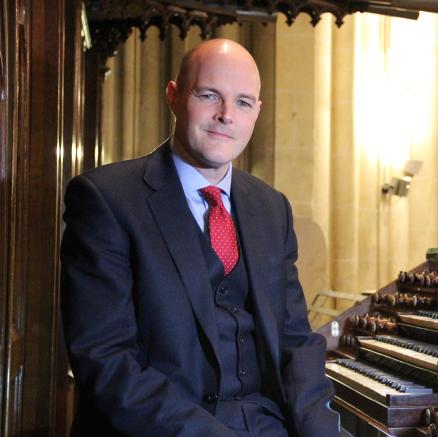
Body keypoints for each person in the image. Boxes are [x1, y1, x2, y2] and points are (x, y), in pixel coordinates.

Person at [60, 38, 340, 436]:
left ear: (256, 113)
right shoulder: (106, 199)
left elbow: (295, 340)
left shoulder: (271, 208)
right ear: (173, 97)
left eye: (243, 102)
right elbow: (106, 361)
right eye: (209, 95)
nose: (227, 115)